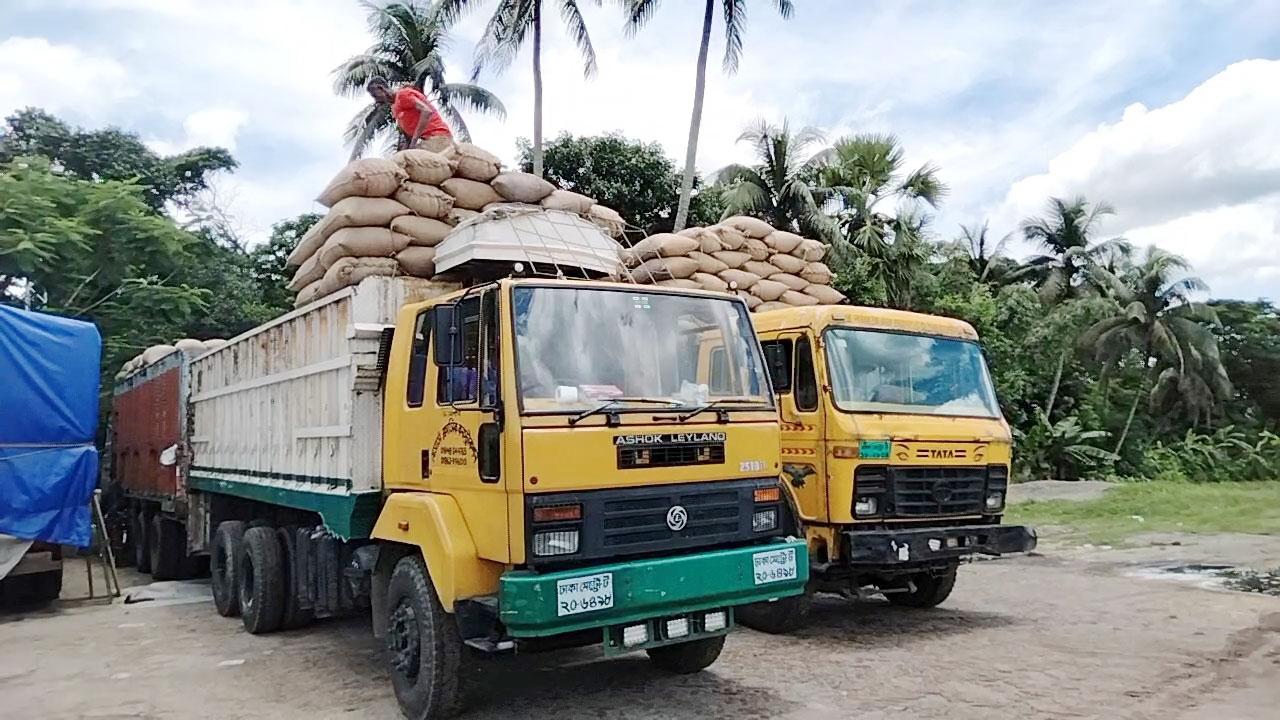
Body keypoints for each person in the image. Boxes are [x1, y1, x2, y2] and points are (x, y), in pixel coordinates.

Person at [364, 76, 452, 153]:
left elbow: (426, 111)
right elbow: (408, 137)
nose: (376, 100)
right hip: (425, 141)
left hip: (438, 137)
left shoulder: (403, 95)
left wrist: (414, 141)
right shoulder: (395, 108)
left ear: (381, 88)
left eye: (375, 95)